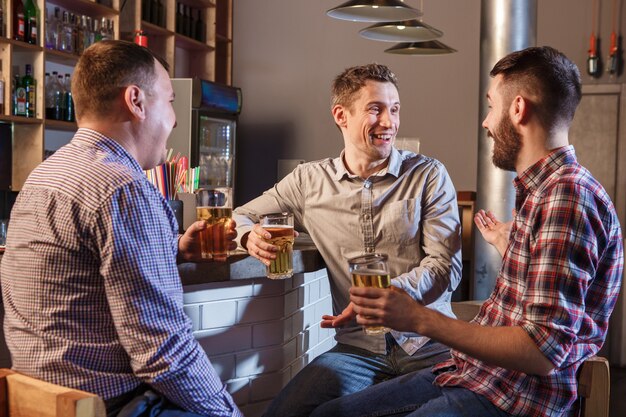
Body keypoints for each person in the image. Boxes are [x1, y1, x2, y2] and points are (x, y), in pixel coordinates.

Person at [309, 46, 624, 417]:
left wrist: (417, 318)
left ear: (518, 109)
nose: (486, 122)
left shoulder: (566, 197)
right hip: (472, 374)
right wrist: (517, 252)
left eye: (491, 106)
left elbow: (540, 352)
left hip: (510, 396)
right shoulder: (546, 192)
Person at [0, 40, 242, 417]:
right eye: (170, 101)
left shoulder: (45, 173)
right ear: (136, 101)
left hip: (40, 398)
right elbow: (162, 352)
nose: (174, 120)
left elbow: (84, 272)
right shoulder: (121, 187)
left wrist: (173, 249)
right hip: (113, 406)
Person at [233, 63, 462, 416]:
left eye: (395, 109)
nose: (390, 122)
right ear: (341, 115)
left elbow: (445, 268)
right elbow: (239, 215)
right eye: (376, 109)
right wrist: (249, 236)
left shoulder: (428, 175)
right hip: (358, 350)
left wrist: (386, 296)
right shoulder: (308, 181)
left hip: (429, 344)